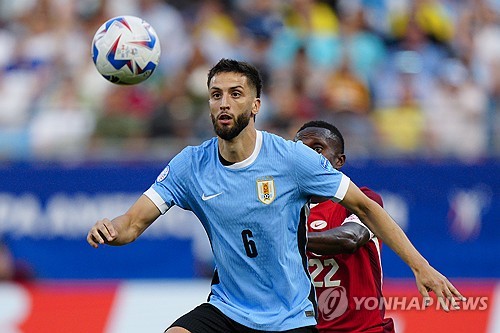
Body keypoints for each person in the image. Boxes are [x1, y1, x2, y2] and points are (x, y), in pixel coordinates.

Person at [87, 59, 464, 333]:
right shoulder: (190, 165)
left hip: (289, 318)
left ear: (255, 106)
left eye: (235, 94)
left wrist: (420, 266)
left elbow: (364, 209)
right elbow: (132, 223)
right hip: (228, 310)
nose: (223, 102)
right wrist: (111, 229)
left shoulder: (292, 159)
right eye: (216, 94)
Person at [295, 120, 394, 332]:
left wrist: (284, 236)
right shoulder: (284, 209)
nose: (307, 156)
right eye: (300, 149)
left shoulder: (365, 200)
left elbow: (350, 238)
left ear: (339, 161)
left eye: (318, 148)